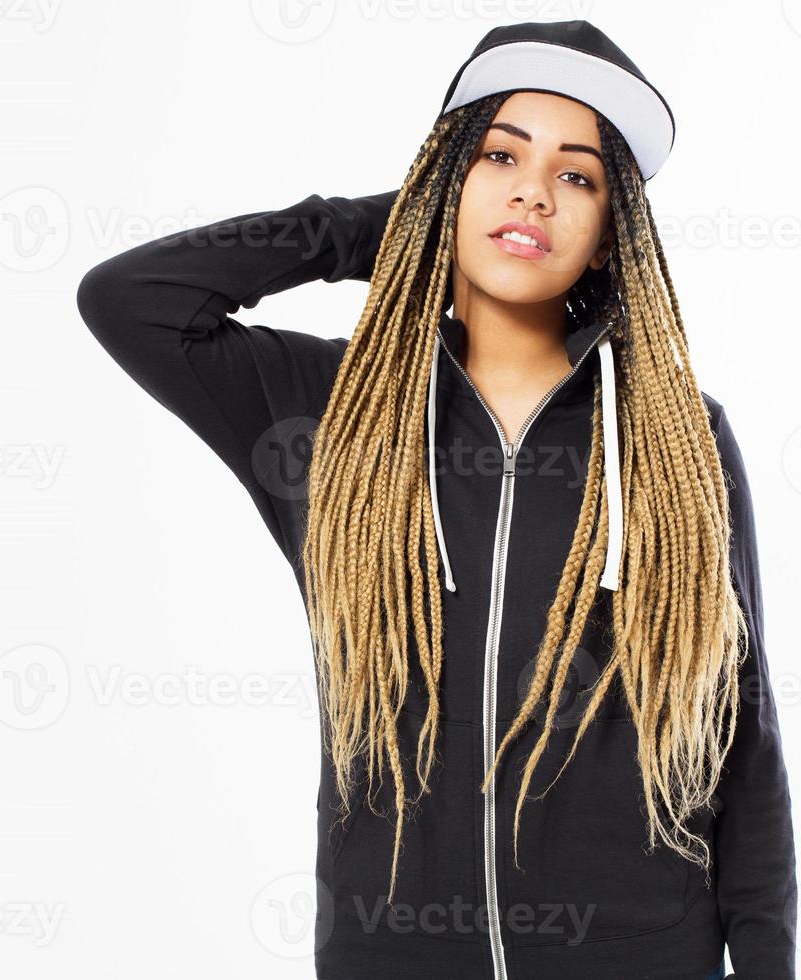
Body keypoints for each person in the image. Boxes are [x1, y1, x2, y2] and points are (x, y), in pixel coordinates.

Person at [75, 20, 796, 980]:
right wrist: (387, 229)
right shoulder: (325, 412)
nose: (534, 190)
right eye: (498, 156)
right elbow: (129, 299)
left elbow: (741, 734)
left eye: (578, 176)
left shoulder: (677, 438)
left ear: (611, 230)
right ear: (441, 181)